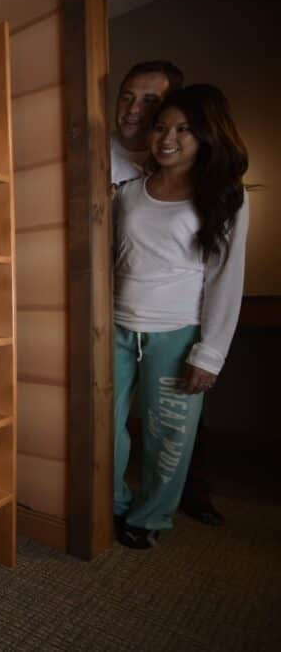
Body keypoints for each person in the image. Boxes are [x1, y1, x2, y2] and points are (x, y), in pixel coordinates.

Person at [112, 84, 249, 549]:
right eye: (161, 127)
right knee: (103, 426)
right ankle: (110, 501)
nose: (167, 138)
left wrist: (209, 354)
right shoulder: (128, 192)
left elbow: (226, 278)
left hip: (177, 332)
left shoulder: (226, 197)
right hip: (116, 326)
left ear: (207, 135)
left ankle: (150, 517)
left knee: (168, 435)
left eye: (184, 129)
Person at [111, 60, 184, 187]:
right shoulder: (90, 152)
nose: (133, 109)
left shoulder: (180, 164)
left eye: (149, 101)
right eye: (126, 98)